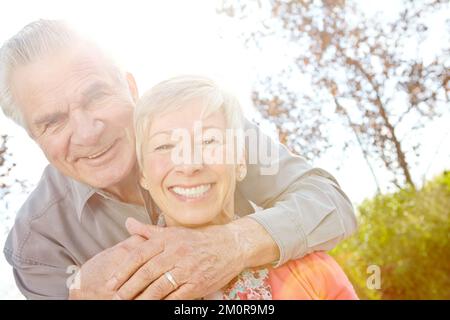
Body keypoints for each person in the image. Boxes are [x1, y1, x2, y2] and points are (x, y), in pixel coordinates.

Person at [0, 20, 357, 300]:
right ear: (34, 137)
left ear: (131, 88)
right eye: (53, 121)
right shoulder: (36, 245)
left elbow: (331, 204)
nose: (88, 132)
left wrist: (233, 244)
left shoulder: (209, 123)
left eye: (96, 96)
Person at [121, 75, 358, 300]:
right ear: (143, 174)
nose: (189, 164)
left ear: (241, 162)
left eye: (208, 141)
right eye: (164, 146)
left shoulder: (312, 272)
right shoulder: (119, 283)